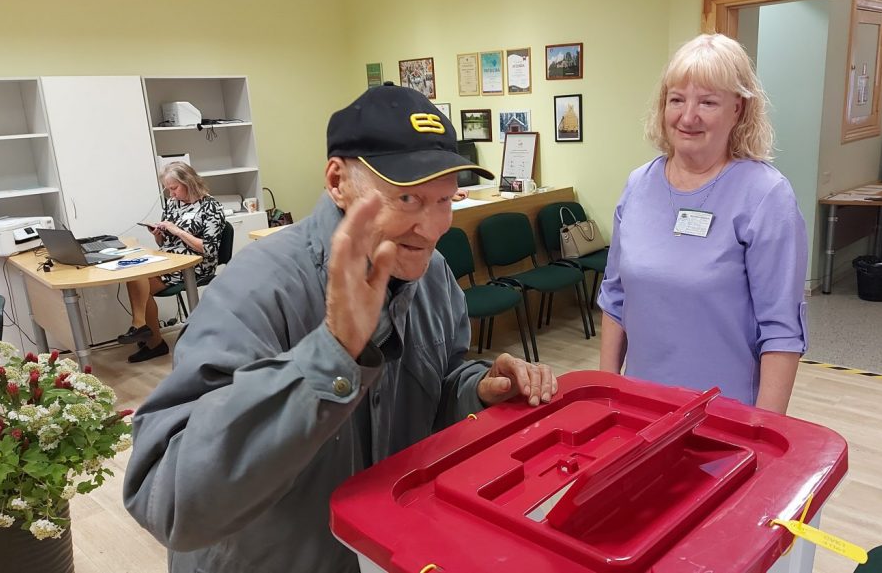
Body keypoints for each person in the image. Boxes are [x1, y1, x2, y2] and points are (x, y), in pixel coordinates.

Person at [123, 83, 558, 573]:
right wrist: (332, 354)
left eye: (444, 199)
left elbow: (435, 386)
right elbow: (169, 501)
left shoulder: (432, 274)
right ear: (337, 181)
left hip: (384, 549)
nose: (433, 227)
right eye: (407, 197)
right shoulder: (256, 289)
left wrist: (476, 389)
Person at [598, 34, 808, 414]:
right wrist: (608, 394)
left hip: (725, 417)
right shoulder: (638, 186)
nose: (688, 116)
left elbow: (781, 332)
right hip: (638, 410)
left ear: (738, 109)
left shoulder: (766, 196)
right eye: (677, 99)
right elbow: (614, 299)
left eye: (707, 102)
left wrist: (761, 432)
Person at [117, 162, 225, 363]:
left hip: (195, 263)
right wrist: (159, 235)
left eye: (174, 188)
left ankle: (147, 335)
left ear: (189, 182)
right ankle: (146, 332)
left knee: (141, 279)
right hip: (170, 259)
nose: (171, 194)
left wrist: (177, 231)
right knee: (135, 274)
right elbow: (165, 242)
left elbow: (209, 249)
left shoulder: (211, 207)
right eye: (168, 189)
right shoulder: (173, 204)